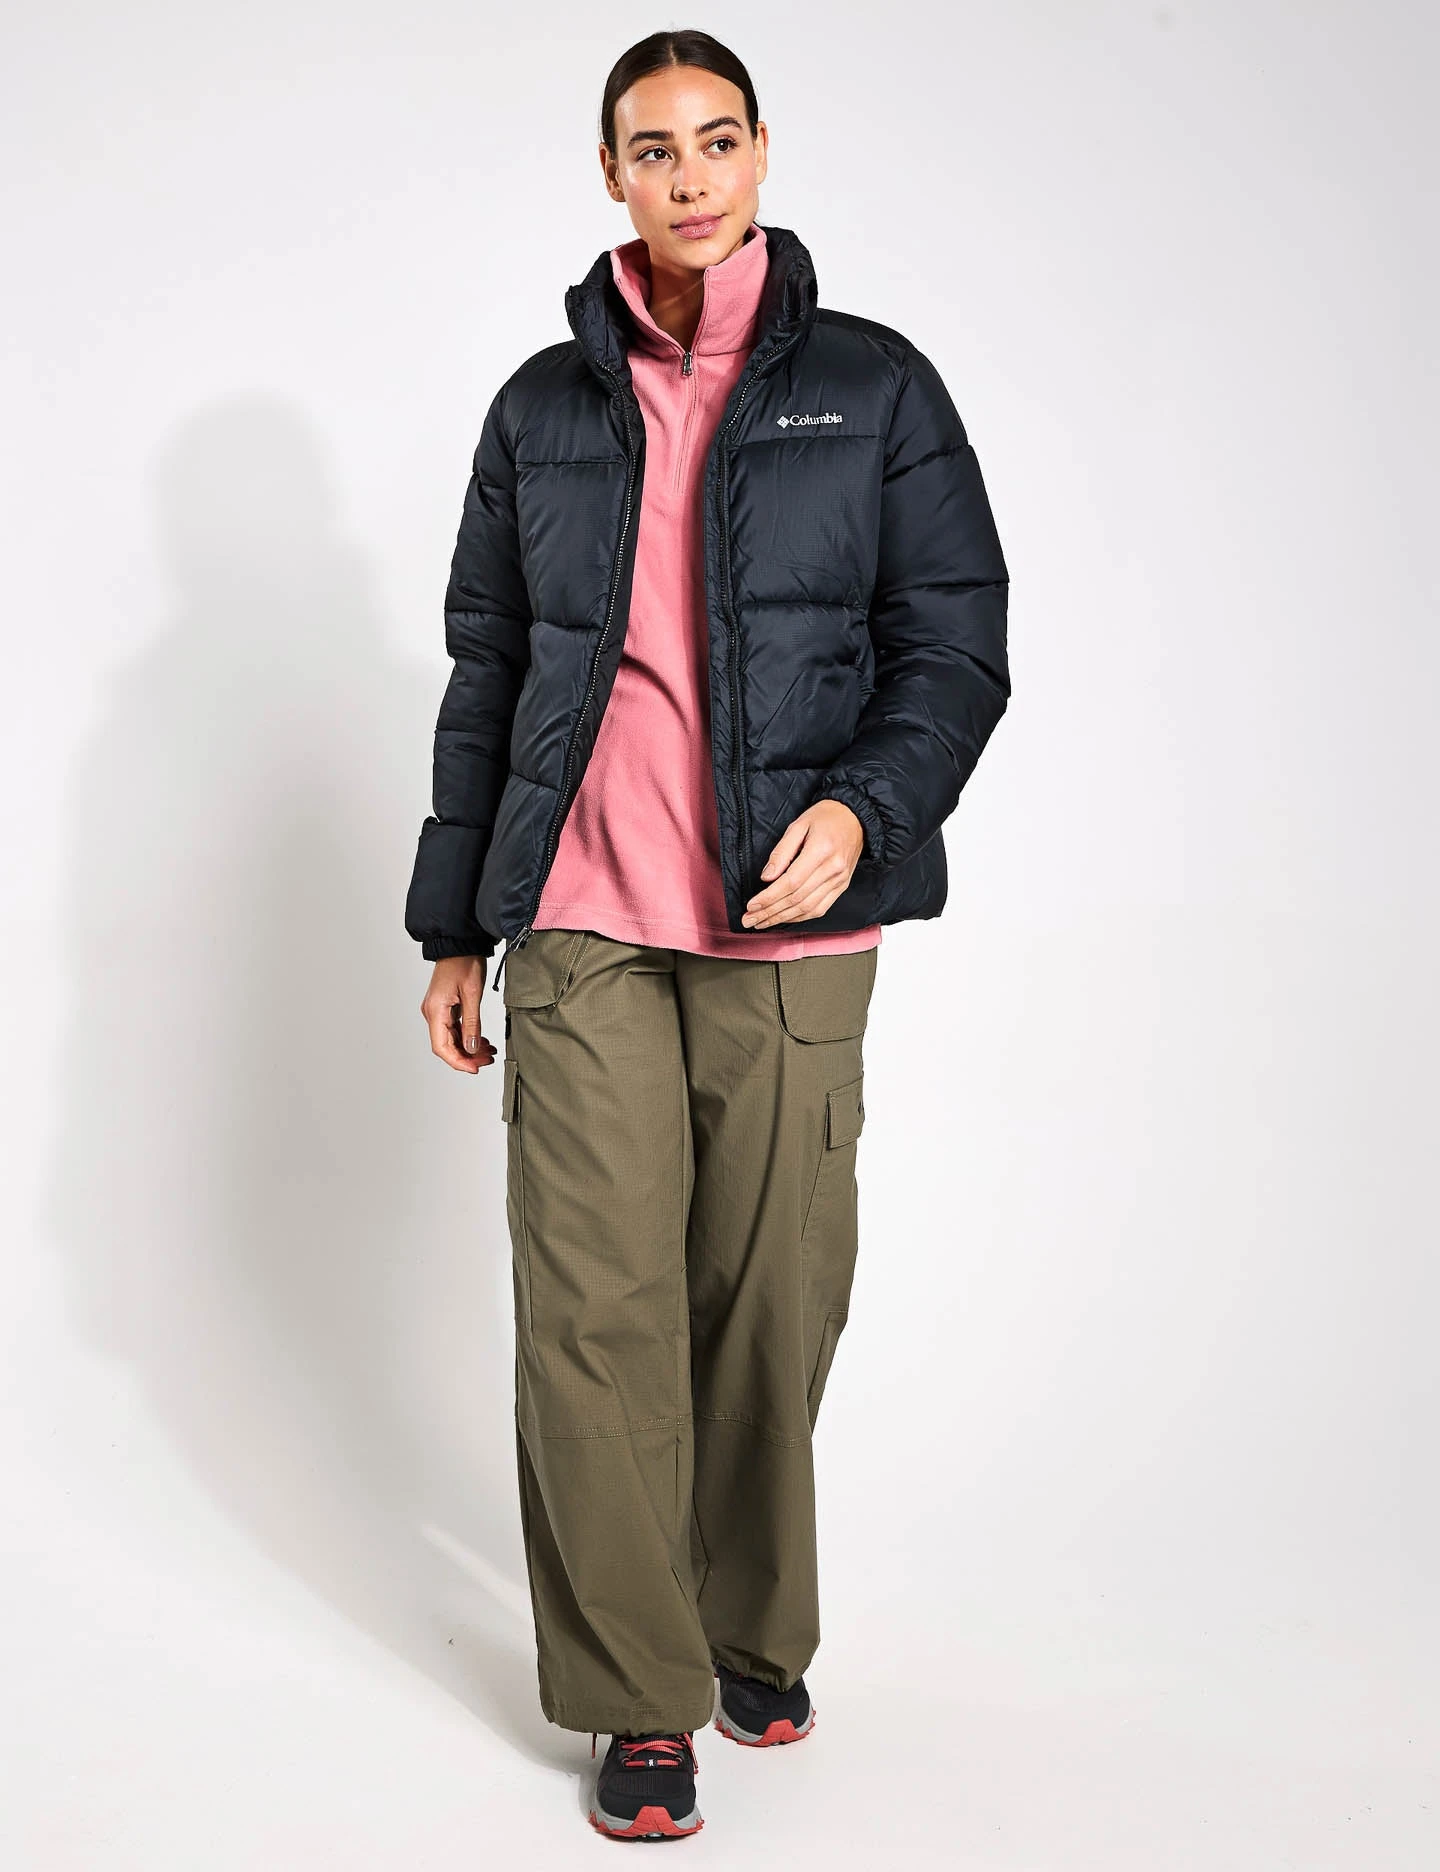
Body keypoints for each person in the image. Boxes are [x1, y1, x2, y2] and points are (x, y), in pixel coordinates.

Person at [404, 29, 1010, 1842]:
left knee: (771, 1300)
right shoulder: (542, 408)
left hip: (787, 926)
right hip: (583, 915)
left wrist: (865, 811)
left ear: (762, 155)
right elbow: (490, 668)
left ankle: (749, 1628)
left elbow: (955, 644)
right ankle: (637, 1693)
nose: (689, 176)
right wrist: (455, 925)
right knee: (592, 1309)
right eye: (653, 148)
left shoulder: (873, 388)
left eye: (717, 140)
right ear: (612, 174)